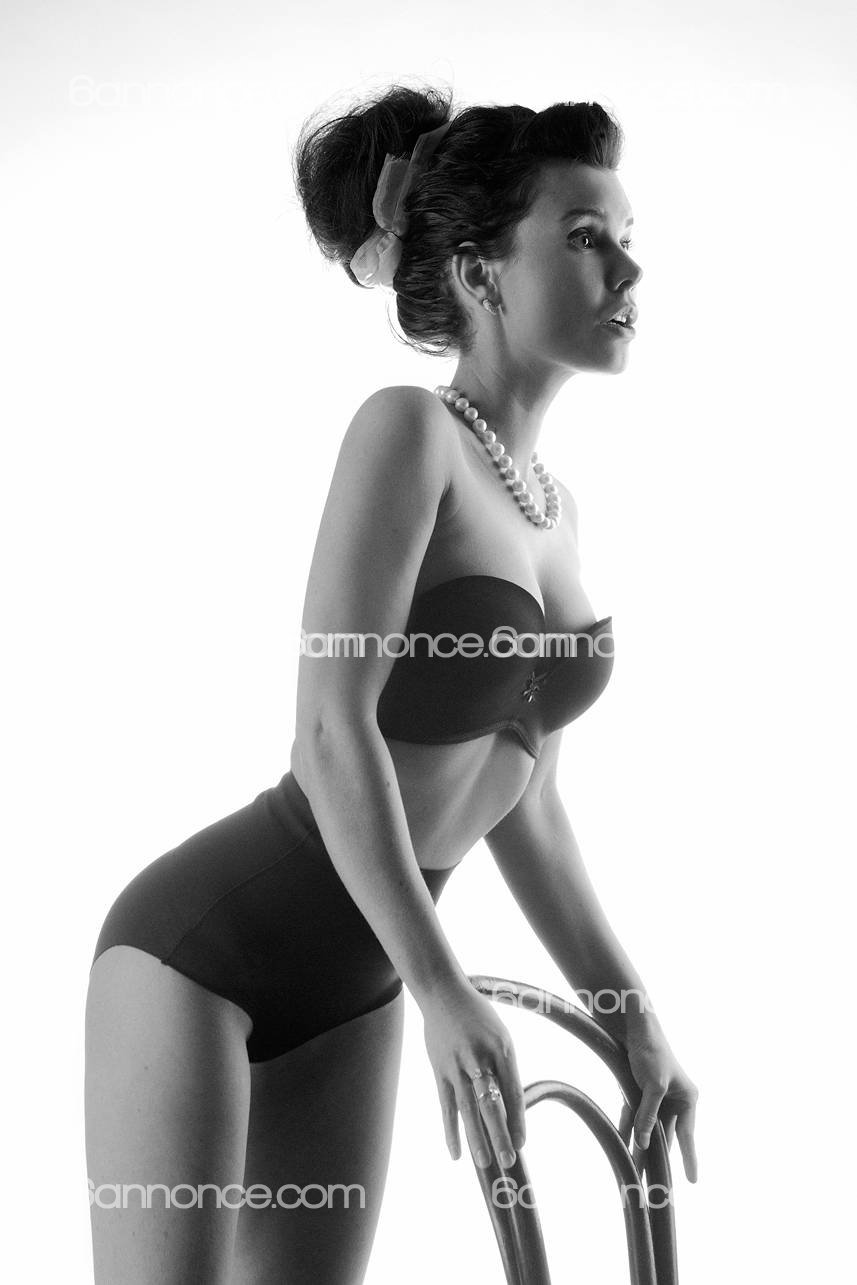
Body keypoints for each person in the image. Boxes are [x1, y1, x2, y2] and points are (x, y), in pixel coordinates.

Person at [84, 82, 699, 1284]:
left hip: (361, 976)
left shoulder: (557, 513)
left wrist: (631, 1021)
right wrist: (441, 984)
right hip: (203, 953)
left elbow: (529, 810)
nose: (626, 270)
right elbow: (329, 731)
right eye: (584, 238)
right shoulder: (407, 433)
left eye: (627, 238)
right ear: (478, 274)